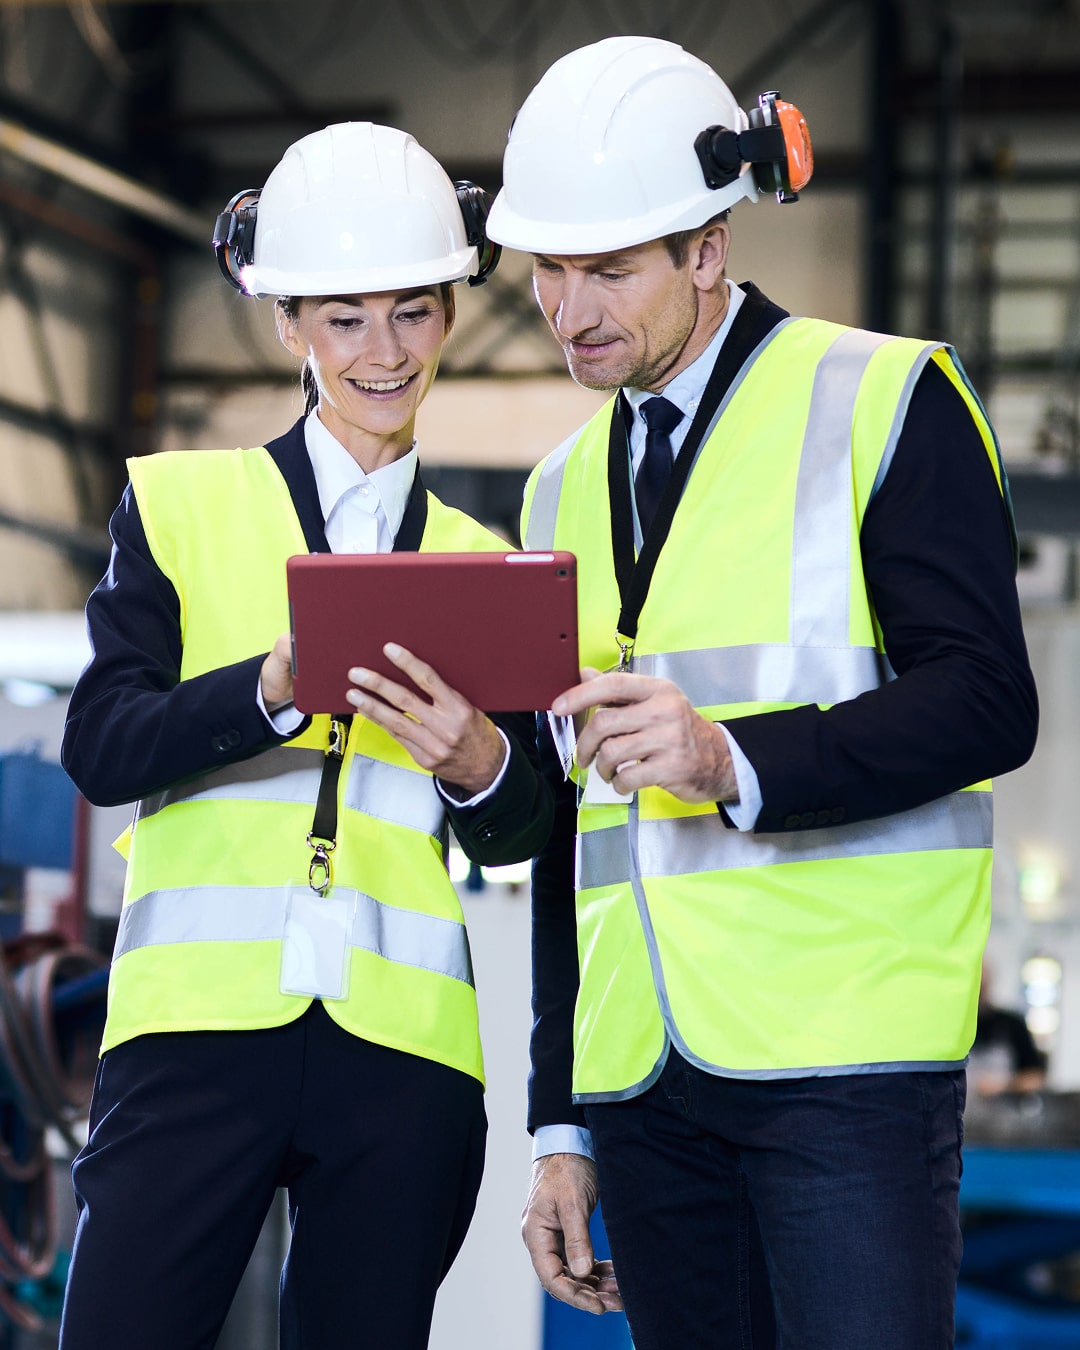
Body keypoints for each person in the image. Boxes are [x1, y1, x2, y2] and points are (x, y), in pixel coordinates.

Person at [483, 35, 1039, 1350]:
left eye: (608, 271)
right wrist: (561, 1118)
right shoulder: (557, 486)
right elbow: (571, 834)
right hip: (641, 1079)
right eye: (547, 272)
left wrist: (730, 756)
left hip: (842, 1064)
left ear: (706, 249)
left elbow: (985, 700)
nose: (568, 312)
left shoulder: (885, 398)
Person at [58, 121, 552, 1350]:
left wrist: (479, 763)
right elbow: (104, 746)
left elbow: (534, 822)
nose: (383, 354)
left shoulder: (486, 564)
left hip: (401, 1058)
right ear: (286, 323)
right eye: (344, 319)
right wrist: (270, 688)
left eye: (413, 313)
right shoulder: (175, 506)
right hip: (194, 1034)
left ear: (451, 313)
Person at [970, 961, 1047, 1095]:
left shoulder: (1012, 1024)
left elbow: (1035, 1078)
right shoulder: (945, 1027)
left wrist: (1004, 1084)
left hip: (1004, 1113)